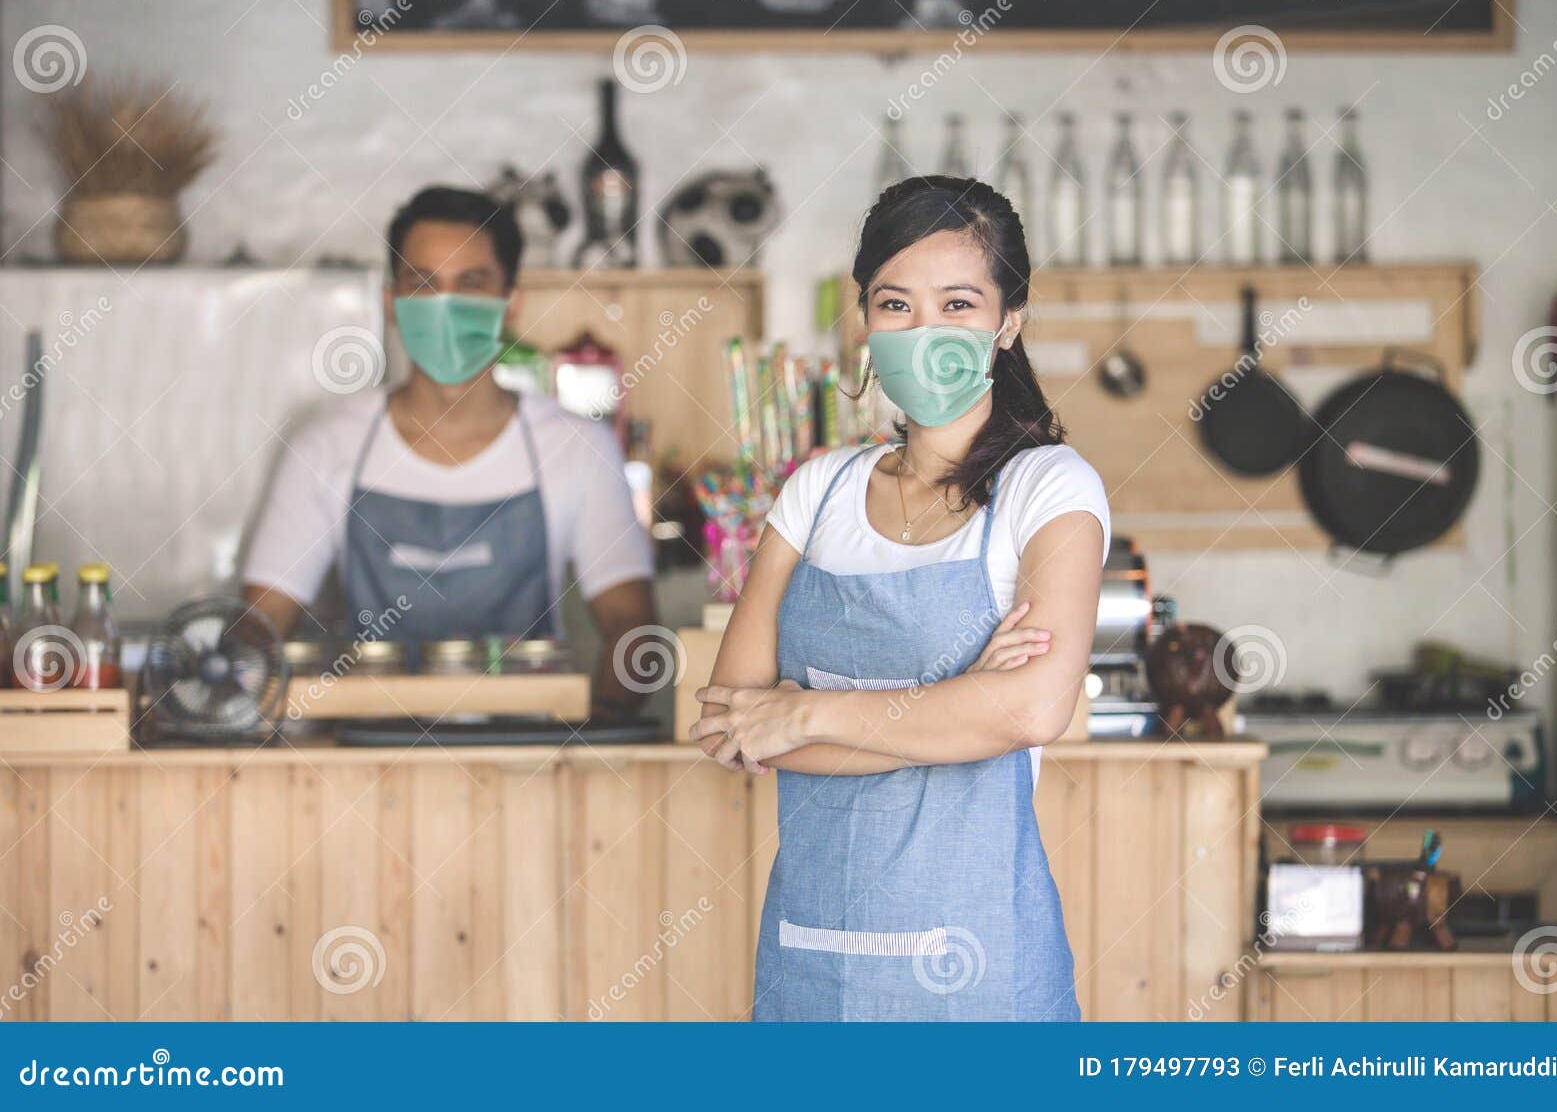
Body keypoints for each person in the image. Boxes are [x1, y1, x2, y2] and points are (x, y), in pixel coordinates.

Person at [690, 177, 1109, 1021]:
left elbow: (1031, 710)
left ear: (1008, 324)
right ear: (867, 323)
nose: (925, 333)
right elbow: (734, 727)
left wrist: (805, 713)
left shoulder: (1049, 489)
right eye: (895, 304)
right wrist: (958, 711)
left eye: (958, 303)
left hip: (984, 970)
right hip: (811, 956)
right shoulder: (816, 492)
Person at [243, 185, 656, 716]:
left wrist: (596, 738)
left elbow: (632, 627)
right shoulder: (326, 444)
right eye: (424, 283)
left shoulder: (577, 448)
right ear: (391, 302)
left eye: (471, 283)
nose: (446, 307)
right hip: (367, 758)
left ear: (511, 303)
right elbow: (260, 624)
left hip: (528, 761)